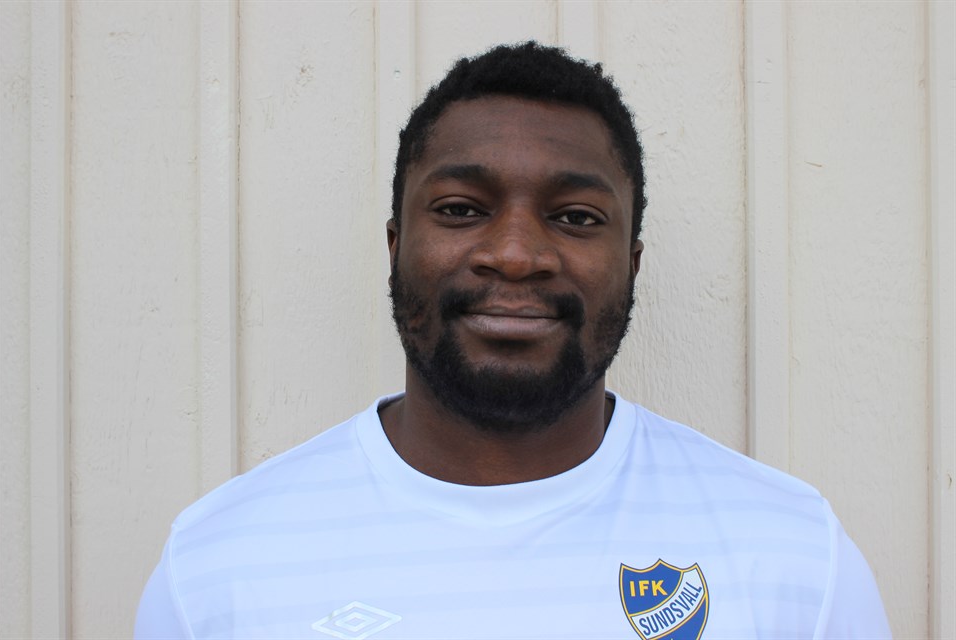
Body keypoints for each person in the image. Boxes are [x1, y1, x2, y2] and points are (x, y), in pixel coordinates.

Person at [136, 42, 890, 639]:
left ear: (631, 263)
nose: (517, 255)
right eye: (462, 209)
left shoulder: (791, 556)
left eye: (576, 217)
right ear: (396, 246)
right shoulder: (220, 565)